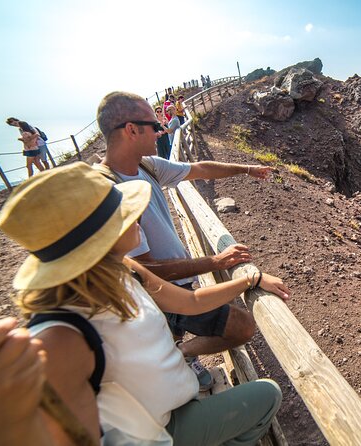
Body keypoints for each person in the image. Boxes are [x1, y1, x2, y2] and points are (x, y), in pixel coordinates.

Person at [0, 162, 287, 445]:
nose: (138, 215)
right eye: (122, 214)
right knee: (268, 395)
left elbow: (190, 301)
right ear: (96, 239)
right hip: (159, 432)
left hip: (171, 404)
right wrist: (3, 430)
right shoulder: (62, 336)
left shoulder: (120, 269)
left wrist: (250, 280)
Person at [94, 91, 274, 391]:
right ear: (131, 129)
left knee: (170, 335)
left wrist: (246, 169)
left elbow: (200, 169)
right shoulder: (109, 192)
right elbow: (144, 269)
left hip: (172, 287)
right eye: (154, 124)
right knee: (242, 326)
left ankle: (177, 355)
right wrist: (214, 262)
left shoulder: (145, 166)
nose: (162, 129)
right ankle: (181, 357)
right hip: (155, 294)